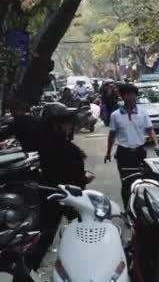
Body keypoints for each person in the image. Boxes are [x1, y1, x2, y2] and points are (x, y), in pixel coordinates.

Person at [29, 103, 92, 271]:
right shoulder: (56, 147)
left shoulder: (52, 144)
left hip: (62, 195)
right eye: (65, 122)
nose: (69, 125)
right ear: (54, 125)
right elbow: (68, 173)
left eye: (68, 121)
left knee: (52, 234)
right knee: (49, 235)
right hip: (59, 196)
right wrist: (82, 179)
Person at [104, 83, 159, 209]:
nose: (129, 97)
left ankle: (140, 209)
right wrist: (108, 153)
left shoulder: (142, 113)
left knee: (142, 182)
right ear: (122, 96)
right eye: (126, 94)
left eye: (132, 94)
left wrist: (156, 144)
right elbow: (112, 135)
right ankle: (127, 209)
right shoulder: (115, 115)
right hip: (123, 153)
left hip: (140, 153)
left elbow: (150, 130)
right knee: (126, 183)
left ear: (136, 96)